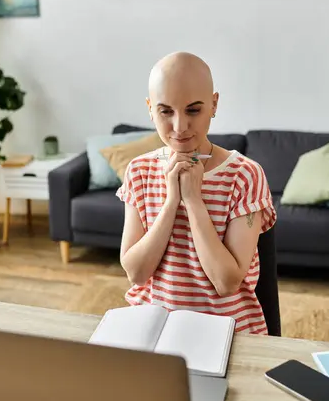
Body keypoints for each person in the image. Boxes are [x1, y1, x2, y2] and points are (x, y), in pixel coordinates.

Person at [116, 52, 276, 334]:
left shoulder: (245, 175)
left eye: (193, 110)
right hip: (153, 331)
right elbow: (136, 273)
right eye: (165, 111)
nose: (179, 127)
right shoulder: (138, 171)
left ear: (214, 104)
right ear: (150, 108)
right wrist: (171, 202)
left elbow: (226, 283)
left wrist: (193, 200)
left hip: (227, 332)